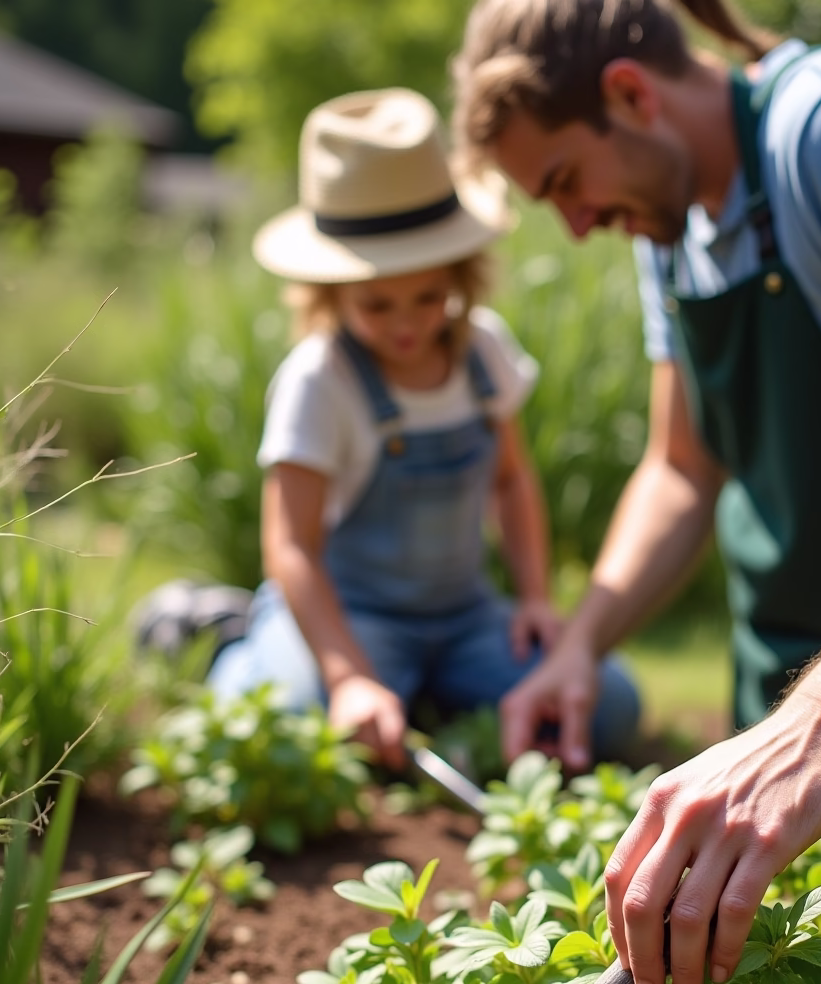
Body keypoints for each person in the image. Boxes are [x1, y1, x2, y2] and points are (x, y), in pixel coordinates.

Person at [453, 0, 821, 984]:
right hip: (786, 729)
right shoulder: (673, 226)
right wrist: (585, 639)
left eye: (564, 184)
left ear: (630, 95)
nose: (575, 227)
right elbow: (682, 467)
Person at [205, 86, 640, 768]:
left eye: (430, 297)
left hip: (464, 618)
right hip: (354, 619)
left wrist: (532, 598)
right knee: (286, 729)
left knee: (609, 703)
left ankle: (418, 694)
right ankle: (233, 643)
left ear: (461, 276)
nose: (408, 324)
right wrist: (347, 675)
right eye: (378, 305)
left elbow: (512, 478)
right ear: (329, 291)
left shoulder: (483, 353)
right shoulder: (319, 380)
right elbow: (291, 545)